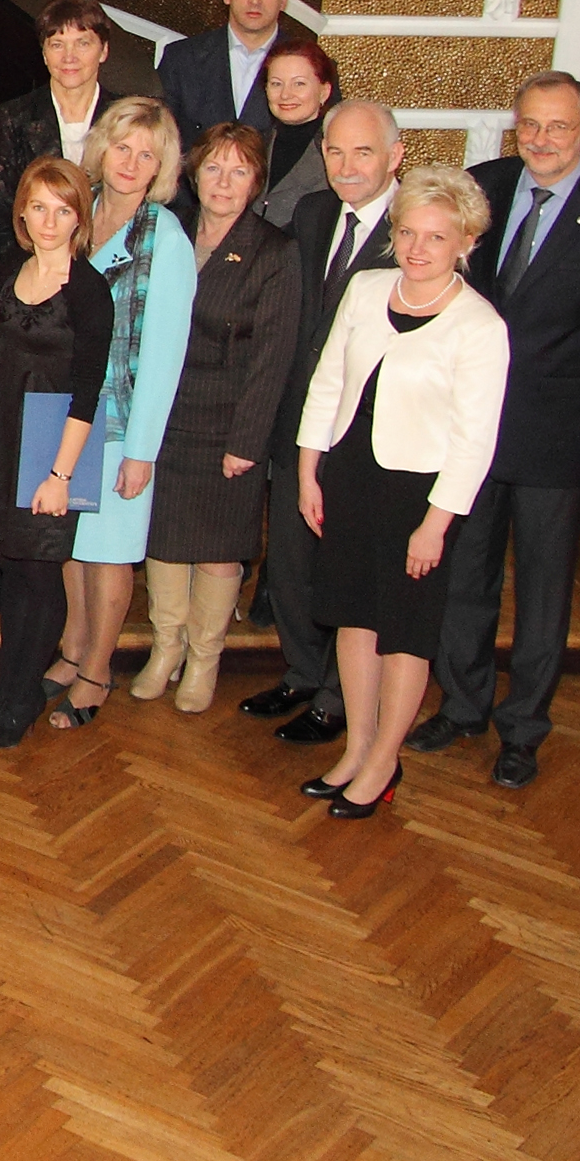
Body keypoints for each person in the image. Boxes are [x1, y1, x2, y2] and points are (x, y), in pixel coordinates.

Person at [418, 73, 580, 788]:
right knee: (465, 575)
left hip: (560, 435)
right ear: (513, 127)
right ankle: (463, 706)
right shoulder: (483, 188)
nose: (542, 140)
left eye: (558, 126)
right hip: (471, 427)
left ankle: (523, 730)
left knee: (545, 591)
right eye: (530, 125)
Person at [297, 166, 510, 818]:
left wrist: (435, 526)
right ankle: (357, 748)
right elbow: (327, 382)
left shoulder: (479, 326)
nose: (418, 249)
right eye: (409, 233)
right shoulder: (366, 288)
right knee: (354, 618)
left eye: (436, 237)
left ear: (465, 242)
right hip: (350, 475)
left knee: (404, 632)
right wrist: (308, 470)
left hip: (420, 496)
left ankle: (385, 760)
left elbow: (475, 440)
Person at [245, 97, 403, 743]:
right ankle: (303, 672)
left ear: (395, 156)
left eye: (363, 152)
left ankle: (339, 699)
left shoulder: (413, 231)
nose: (346, 165)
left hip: (367, 436)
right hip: (298, 423)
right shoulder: (312, 212)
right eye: (334, 151)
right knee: (289, 563)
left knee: (347, 571)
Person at [42, 98, 197, 733]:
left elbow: (164, 353)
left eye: (146, 154)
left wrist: (141, 451)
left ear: (162, 167)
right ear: (102, 148)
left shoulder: (165, 238)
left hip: (120, 422)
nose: (131, 163)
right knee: (71, 543)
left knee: (109, 554)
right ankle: (73, 647)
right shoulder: (79, 214)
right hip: (65, 413)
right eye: (122, 147)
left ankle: (97, 670)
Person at [136, 121, 301, 712]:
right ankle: (166, 648)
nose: (223, 182)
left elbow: (273, 358)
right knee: (163, 538)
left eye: (239, 171)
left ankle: (204, 658)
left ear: (257, 181)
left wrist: (247, 440)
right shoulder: (170, 233)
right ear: (192, 173)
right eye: (213, 168)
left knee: (217, 548)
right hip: (164, 414)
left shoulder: (274, 251)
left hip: (229, 423)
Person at [0, 158, 113, 745]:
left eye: (63, 209)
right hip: (5, 435)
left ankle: (21, 696)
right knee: (13, 567)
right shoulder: (12, 271)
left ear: (80, 217)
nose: (50, 221)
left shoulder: (90, 290)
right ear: (21, 211)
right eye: (39, 207)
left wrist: (60, 475)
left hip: (54, 446)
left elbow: (88, 391)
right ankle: (8, 687)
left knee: (38, 573)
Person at [0, 0, 119, 280]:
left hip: (107, 274)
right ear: (43, 54)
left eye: (83, 43)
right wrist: (35, 281)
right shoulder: (14, 117)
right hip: (28, 276)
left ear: (103, 51)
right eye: (57, 44)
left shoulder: (122, 120)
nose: (69, 57)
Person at [156, 0, 293, 152]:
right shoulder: (181, 59)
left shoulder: (311, 69)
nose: (255, 0)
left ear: (284, 0)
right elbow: (159, 142)